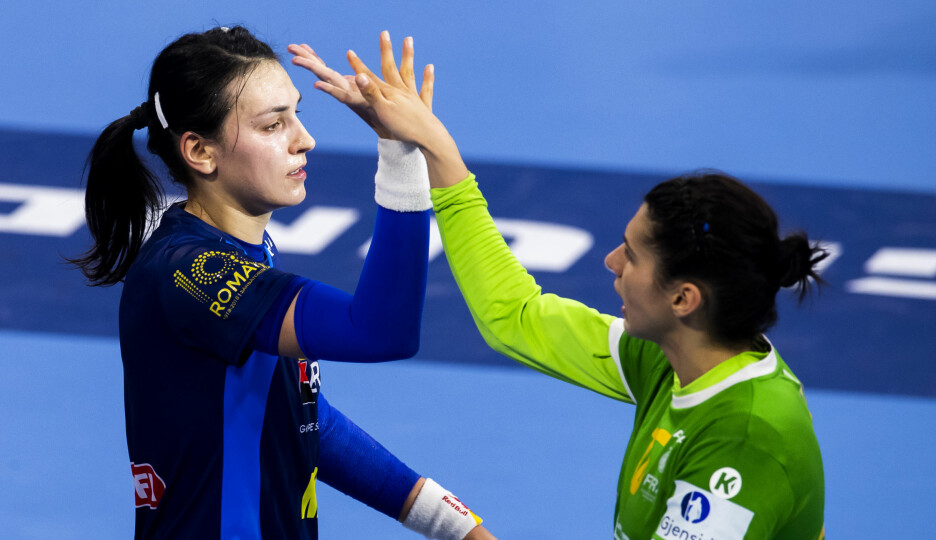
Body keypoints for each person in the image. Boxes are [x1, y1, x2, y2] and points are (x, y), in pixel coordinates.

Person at [305, 33, 827, 539]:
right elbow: (516, 317)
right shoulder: (673, 357)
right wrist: (431, 148)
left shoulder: (747, 439)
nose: (611, 261)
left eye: (633, 254)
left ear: (683, 298)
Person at [71, 26, 494, 540]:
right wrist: (403, 157)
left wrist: (450, 523)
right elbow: (382, 332)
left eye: (297, 113)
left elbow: (298, 415)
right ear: (200, 152)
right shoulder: (191, 274)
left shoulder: (242, 253)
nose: (305, 139)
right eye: (273, 126)